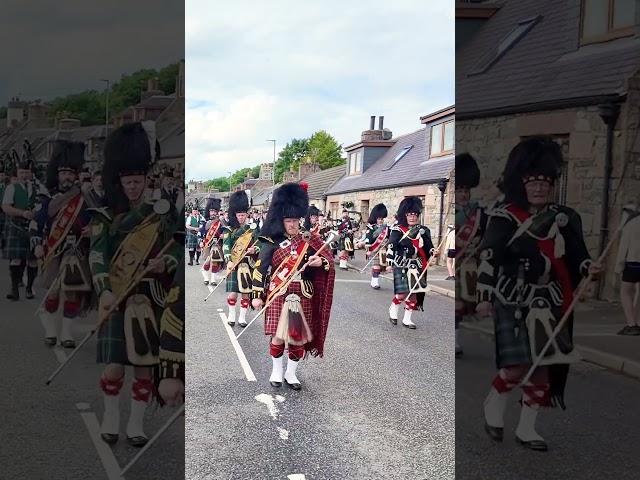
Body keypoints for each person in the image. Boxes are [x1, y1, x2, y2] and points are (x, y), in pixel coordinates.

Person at [476, 137, 601, 451]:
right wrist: (484, 296)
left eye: (545, 182)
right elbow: (488, 255)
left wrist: (589, 267)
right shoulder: (505, 216)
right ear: (522, 183)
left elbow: (577, 255)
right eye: (533, 181)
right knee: (517, 366)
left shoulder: (566, 217)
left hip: (550, 298)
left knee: (544, 365)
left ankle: (527, 428)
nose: (540, 188)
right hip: (511, 297)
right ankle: (495, 401)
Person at [89, 122, 181, 448]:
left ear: (145, 179)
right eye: (127, 182)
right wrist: (105, 291)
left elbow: (178, 248)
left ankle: (136, 423)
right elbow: (97, 256)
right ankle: (111, 417)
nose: (132, 187)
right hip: (118, 295)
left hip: (148, 296)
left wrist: (165, 264)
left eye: (137, 181)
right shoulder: (105, 215)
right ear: (119, 181)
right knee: (115, 368)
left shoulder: (162, 213)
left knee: (144, 368)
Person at [251, 183, 335, 390]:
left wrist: (320, 263)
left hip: (302, 293)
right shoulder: (272, 240)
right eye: (289, 221)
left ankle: (291, 373)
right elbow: (260, 269)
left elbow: (328, 261)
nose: (293, 225)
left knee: (297, 338)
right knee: (278, 336)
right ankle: (276, 371)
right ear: (282, 219)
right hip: (279, 292)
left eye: (296, 220)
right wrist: (256, 295)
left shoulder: (310, 238)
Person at [35, 140, 95, 348]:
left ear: (76, 175)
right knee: (52, 292)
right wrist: (36, 243)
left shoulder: (84, 198)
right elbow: (38, 221)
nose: (67, 177)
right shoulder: (47, 197)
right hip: (53, 249)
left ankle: (67, 333)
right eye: (63, 173)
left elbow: (94, 220)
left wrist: (90, 230)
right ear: (57, 175)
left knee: (71, 292)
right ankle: (52, 331)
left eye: (71, 173)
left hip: (75, 250)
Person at [454, 153, 489, 357]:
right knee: (457, 307)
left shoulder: (479, 213)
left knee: (463, 307)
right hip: (456, 263)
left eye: (466, 190)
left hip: (470, 265)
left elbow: (486, 236)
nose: (463, 194)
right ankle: (455, 342)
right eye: (459, 190)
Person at [387, 197, 436, 329]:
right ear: (405, 215)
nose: (412, 217)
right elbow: (391, 245)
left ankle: (407, 319)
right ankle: (393, 308)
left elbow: (428, 246)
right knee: (402, 293)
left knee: (413, 293)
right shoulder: (398, 230)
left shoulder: (423, 230)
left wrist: (432, 251)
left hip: (418, 264)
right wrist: (389, 261)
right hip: (401, 263)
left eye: (415, 214)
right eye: (409, 214)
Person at [2, 148, 39, 300]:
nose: (24, 175)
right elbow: (6, 207)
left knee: (32, 259)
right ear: (17, 173)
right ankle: (14, 288)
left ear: (31, 173)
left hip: (33, 226)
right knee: (16, 258)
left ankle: (29, 288)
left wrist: (37, 214)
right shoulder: (12, 188)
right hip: (16, 225)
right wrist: (22, 213)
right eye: (21, 172)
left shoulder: (38, 188)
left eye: (27, 172)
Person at [223, 191, 260, 327]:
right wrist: (229, 260)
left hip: (247, 263)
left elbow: (260, 243)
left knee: (245, 294)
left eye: (243, 215)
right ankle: (231, 315)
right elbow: (226, 246)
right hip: (234, 263)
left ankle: (242, 318)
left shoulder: (253, 229)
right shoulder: (229, 229)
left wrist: (253, 249)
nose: (241, 218)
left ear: (247, 214)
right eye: (239, 215)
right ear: (235, 215)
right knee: (233, 294)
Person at [615, 205, 640, 335]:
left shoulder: (631, 223)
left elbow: (624, 245)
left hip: (633, 263)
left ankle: (631, 324)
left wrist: (619, 265)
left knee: (625, 292)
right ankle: (637, 322)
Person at [358, 203, 389, 290]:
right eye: (379, 219)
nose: (381, 220)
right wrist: (368, 249)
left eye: (382, 219)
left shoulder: (386, 228)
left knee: (381, 267)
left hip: (383, 250)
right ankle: (375, 282)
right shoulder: (371, 228)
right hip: (374, 249)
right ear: (375, 218)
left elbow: (389, 237)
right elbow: (368, 239)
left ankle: (374, 280)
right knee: (376, 266)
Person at [201, 197, 224, 286]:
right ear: (209, 211)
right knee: (207, 262)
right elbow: (202, 231)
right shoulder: (205, 221)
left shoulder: (221, 222)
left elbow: (225, 231)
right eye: (211, 211)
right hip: (207, 243)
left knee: (215, 261)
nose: (213, 213)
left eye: (215, 211)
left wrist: (223, 236)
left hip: (216, 244)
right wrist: (200, 241)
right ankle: (206, 278)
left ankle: (213, 279)